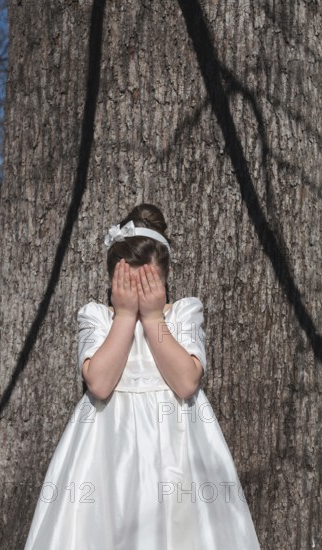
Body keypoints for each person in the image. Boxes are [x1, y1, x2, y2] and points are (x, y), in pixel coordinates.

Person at [24, 203, 261, 549]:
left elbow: (185, 382)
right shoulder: (97, 317)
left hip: (180, 446)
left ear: (164, 277)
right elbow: (101, 384)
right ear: (112, 280)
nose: (139, 294)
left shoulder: (181, 314)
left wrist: (152, 319)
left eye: (149, 284)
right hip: (106, 448)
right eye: (128, 285)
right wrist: (124, 317)